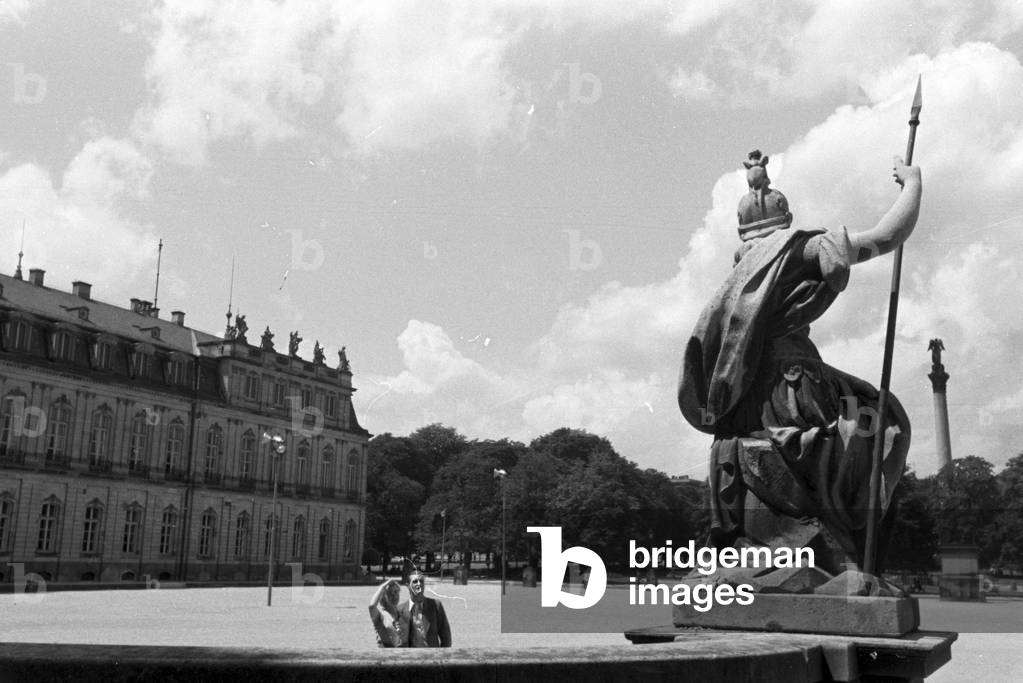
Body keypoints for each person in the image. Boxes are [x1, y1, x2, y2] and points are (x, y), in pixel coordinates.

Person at [678, 150, 922, 574]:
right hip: (795, 382)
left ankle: (766, 555)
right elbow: (888, 235)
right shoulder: (804, 248)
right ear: (785, 221)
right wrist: (914, 183)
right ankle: (828, 554)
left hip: (743, 385)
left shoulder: (738, 271)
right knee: (870, 428)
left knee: (768, 450)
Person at [398, 571, 451, 647]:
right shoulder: (400, 610)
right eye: (415, 582)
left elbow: (446, 637)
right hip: (410, 657)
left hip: (432, 656)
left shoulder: (435, 605)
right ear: (408, 586)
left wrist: (442, 656)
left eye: (421, 581)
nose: (419, 584)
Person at [368, 578, 408, 648]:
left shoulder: (403, 614)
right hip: (386, 654)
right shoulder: (380, 616)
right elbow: (372, 606)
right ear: (383, 597)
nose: (394, 596)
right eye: (390, 593)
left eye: (396, 592)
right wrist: (382, 587)